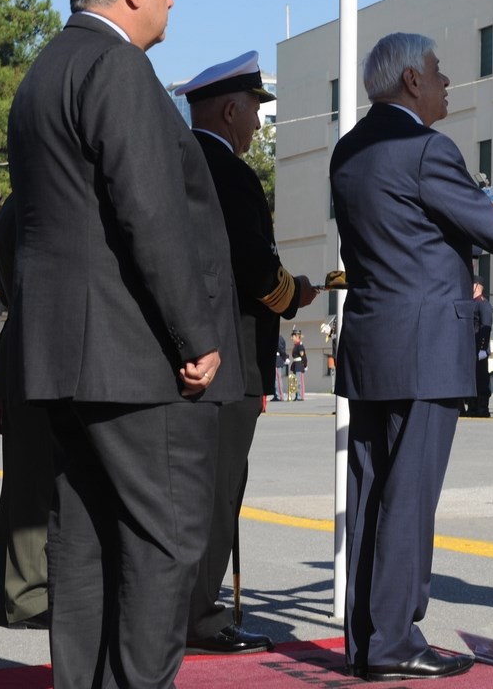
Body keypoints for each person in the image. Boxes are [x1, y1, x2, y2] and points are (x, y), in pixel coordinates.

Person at [329, 32, 493, 680]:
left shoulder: (349, 150)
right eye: (439, 71)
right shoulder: (425, 148)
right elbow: (492, 229)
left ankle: (368, 639)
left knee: (370, 494)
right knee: (409, 497)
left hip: (372, 344)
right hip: (424, 348)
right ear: (412, 83)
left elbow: (432, 225)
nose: (447, 82)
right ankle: (395, 643)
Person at [5, 0, 245, 686]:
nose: (173, 0)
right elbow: (151, 212)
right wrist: (193, 333)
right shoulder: (117, 65)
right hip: (135, 358)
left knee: (83, 543)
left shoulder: (44, 71)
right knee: (164, 541)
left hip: (67, 357)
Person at [176, 49, 319, 654]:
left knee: (183, 490)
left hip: (181, 355)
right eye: (256, 111)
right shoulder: (229, 173)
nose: (259, 125)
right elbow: (257, 268)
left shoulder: (172, 162)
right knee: (217, 495)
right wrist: (295, 296)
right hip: (229, 359)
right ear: (231, 110)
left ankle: (172, 607)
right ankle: (199, 617)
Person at [0, 195, 53, 630]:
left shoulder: (18, 203)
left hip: (30, 347)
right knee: (32, 481)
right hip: (38, 349)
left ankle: (16, 591)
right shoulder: (32, 204)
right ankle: (26, 597)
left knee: (26, 481)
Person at [467, 276, 492, 417]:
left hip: (479, 349)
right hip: (471, 348)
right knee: (472, 378)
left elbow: (485, 327)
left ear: (477, 286)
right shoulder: (472, 303)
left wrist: (483, 348)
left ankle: (482, 407)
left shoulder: (483, 304)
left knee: (481, 378)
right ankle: (473, 406)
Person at [289, 328, 307, 400]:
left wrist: (305, 365)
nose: (292, 338)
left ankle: (300, 396)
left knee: (299, 382)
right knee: (296, 381)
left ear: (296, 336)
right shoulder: (296, 345)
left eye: (293, 336)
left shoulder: (300, 345)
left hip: (299, 365)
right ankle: (297, 395)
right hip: (296, 365)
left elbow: (303, 356)